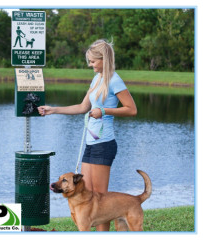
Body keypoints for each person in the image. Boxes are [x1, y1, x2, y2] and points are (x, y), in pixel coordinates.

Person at [38, 39, 137, 231]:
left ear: (104, 59)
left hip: (104, 144)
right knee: (88, 195)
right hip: (91, 145)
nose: (90, 65)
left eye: (92, 61)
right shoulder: (96, 78)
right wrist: (53, 110)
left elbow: (132, 109)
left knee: (101, 202)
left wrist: (105, 111)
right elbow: (83, 107)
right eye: (89, 61)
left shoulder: (114, 80)